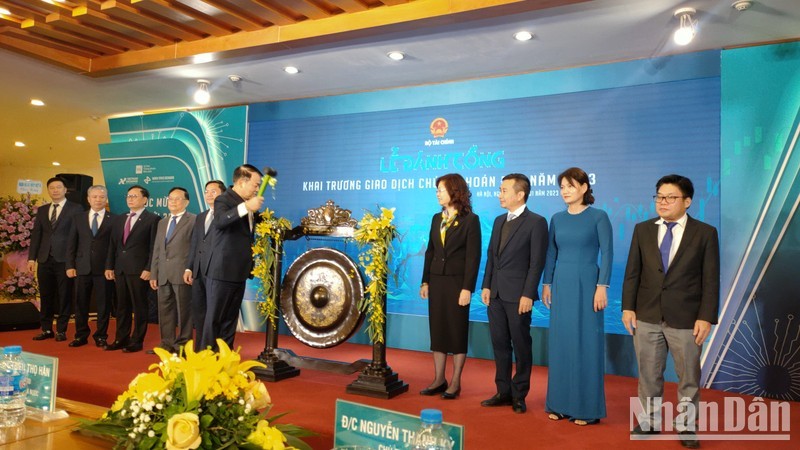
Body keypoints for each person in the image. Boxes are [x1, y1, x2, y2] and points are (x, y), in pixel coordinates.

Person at [622, 174, 719, 449]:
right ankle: (650, 420)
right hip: (647, 314)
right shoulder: (642, 229)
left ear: (687, 202)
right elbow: (632, 273)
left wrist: (706, 316)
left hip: (687, 318)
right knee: (648, 374)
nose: (662, 202)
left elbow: (711, 279)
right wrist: (628, 307)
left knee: (688, 376)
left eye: (670, 197)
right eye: (659, 197)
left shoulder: (705, 233)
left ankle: (687, 426)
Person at [541, 167, 613, 426]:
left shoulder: (598, 217)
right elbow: (551, 253)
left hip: (588, 284)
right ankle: (558, 404)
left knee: (585, 344)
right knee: (561, 343)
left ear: (584, 187)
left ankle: (586, 409)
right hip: (561, 283)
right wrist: (547, 283)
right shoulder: (557, 218)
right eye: (562, 187)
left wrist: (602, 285)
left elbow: (607, 253)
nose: (565, 191)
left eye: (570, 186)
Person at [480, 173, 548, 414]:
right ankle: (503, 391)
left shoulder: (536, 222)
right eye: (500, 189)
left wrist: (528, 294)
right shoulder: (499, 221)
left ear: (520, 194)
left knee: (521, 345)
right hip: (496, 293)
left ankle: (519, 394)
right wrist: (486, 285)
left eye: (504, 190)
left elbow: (536, 263)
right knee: (499, 344)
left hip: (519, 296)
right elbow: (491, 256)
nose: (500, 194)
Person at [419, 173, 481, 400]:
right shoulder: (437, 218)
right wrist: (425, 280)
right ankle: (438, 379)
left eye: (441, 190)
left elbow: (473, 258)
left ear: (454, 191)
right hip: (437, 281)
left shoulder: (470, 220)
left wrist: (468, 288)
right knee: (438, 330)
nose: (437, 194)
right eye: (437, 190)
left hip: (457, 284)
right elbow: (431, 252)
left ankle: (455, 382)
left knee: (456, 331)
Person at [202, 165, 264, 350]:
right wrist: (246, 207)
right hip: (222, 271)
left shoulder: (250, 203)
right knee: (214, 319)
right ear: (242, 181)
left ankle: (225, 360)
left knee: (230, 321)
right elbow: (221, 221)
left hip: (239, 271)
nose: (256, 189)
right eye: (255, 184)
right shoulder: (224, 199)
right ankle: (205, 362)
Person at [104, 185, 159, 353]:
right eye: (128, 196)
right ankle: (121, 338)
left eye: (134, 196)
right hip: (120, 269)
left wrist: (149, 268)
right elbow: (113, 245)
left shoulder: (153, 219)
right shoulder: (120, 219)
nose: (130, 199)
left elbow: (153, 247)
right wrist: (109, 266)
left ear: (145, 200)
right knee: (122, 307)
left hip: (139, 270)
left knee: (139, 306)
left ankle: (137, 340)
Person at [27, 176, 82, 342]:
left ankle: (62, 330)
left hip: (65, 260)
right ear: (48, 190)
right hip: (44, 259)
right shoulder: (43, 210)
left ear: (65, 190)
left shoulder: (76, 208)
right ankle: (46, 329)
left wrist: (74, 260)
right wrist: (32, 258)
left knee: (65, 295)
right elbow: (37, 235)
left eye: (59, 187)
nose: (55, 190)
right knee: (45, 295)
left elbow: (78, 236)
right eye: (52, 188)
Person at [65, 185, 115, 348]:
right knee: (81, 304)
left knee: (103, 305)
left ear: (106, 199)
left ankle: (101, 335)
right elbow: (71, 243)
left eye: (101, 197)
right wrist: (70, 265)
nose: (98, 199)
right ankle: (81, 335)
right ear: (88, 199)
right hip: (82, 267)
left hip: (104, 270)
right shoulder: (78, 218)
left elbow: (113, 247)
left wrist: (111, 266)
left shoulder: (113, 219)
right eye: (95, 197)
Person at [149, 187, 196, 354]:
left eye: (177, 199)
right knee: (164, 311)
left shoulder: (193, 220)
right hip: (163, 274)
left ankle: (183, 345)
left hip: (182, 273)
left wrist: (190, 269)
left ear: (186, 202)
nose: (173, 202)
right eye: (170, 199)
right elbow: (157, 250)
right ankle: (166, 344)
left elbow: (194, 249)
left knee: (184, 312)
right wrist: (154, 273)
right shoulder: (163, 222)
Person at [184, 180, 226, 351]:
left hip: (216, 272)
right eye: (206, 191)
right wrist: (189, 267)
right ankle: (199, 349)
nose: (209, 194)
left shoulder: (227, 216)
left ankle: (213, 349)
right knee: (200, 312)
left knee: (213, 314)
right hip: (199, 271)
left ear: (223, 194)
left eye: (213, 191)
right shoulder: (201, 216)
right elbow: (195, 244)